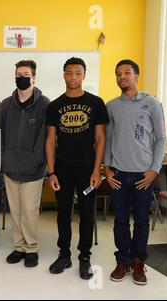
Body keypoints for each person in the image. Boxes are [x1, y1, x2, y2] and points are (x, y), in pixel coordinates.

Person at [45, 57, 109, 279]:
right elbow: (50, 140)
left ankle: (84, 256)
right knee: (63, 213)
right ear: (64, 75)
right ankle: (64, 254)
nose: (73, 77)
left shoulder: (96, 103)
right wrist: (51, 171)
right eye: (69, 73)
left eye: (78, 73)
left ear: (84, 75)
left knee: (87, 214)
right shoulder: (54, 106)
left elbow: (101, 138)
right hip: (62, 171)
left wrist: (96, 170)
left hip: (86, 171)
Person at [104, 59, 166, 285]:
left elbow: (160, 139)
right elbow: (108, 139)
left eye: (126, 73)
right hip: (119, 174)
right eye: (118, 73)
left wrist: (154, 170)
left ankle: (139, 262)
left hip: (143, 176)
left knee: (141, 220)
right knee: (120, 220)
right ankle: (123, 261)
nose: (122, 77)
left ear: (136, 76)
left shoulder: (153, 104)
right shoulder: (111, 106)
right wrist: (107, 169)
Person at [0, 60, 50, 267]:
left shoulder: (45, 104)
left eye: (26, 74)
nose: (22, 77)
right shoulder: (5, 105)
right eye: (18, 73)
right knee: (16, 211)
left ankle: (31, 248)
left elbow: (46, 137)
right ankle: (18, 247)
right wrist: (3, 160)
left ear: (34, 77)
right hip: (10, 168)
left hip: (33, 169)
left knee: (29, 211)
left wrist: (37, 161)